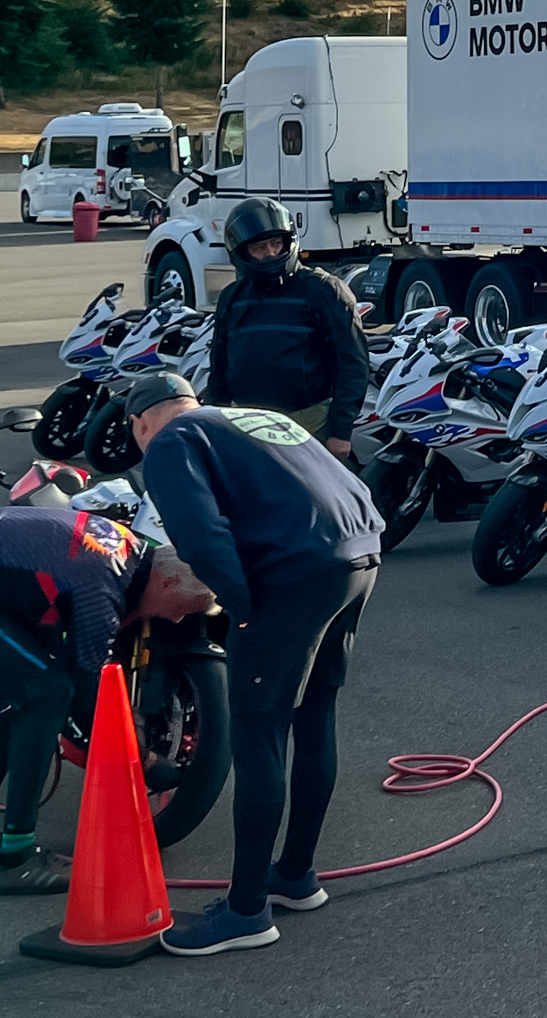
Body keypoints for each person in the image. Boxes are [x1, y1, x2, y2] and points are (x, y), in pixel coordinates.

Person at [119, 369, 383, 957]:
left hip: (295, 572)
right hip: (359, 553)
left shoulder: (171, 440)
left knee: (259, 730)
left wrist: (239, 609)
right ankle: (295, 875)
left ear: (140, 423)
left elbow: (199, 534)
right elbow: (346, 482)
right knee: (314, 715)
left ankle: (245, 912)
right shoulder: (255, 417)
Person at [0, 505, 216, 892]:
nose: (176, 619)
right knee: (46, 693)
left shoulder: (128, 551)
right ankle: (16, 859)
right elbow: (88, 693)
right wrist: (143, 761)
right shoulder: (102, 584)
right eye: (182, 609)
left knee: (17, 693)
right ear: (166, 583)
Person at [207, 196, 373, 459]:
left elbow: (353, 363)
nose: (271, 253)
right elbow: (219, 366)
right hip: (248, 422)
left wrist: (341, 432)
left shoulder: (323, 289)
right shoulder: (232, 297)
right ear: (242, 251)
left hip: (309, 422)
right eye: (260, 247)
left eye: (276, 243)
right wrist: (213, 423)